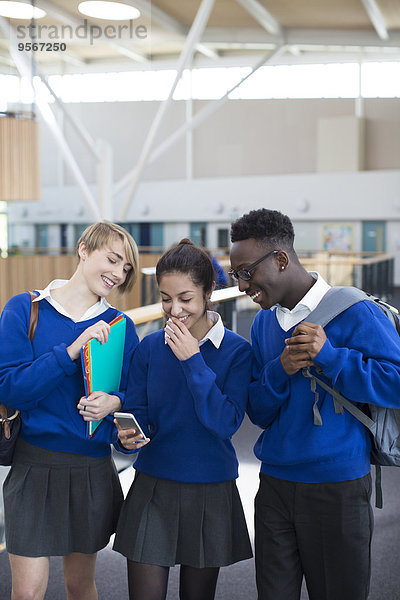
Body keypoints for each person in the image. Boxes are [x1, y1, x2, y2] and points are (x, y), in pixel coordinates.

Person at [229, 208, 400, 600]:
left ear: (281, 260)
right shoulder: (263, 324)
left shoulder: (356, 310)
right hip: (274, 486)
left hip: (337, 486)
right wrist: (280, 369)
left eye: (246, 273)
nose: (241, 286)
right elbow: (259, 411)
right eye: (236, 276)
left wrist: (332, 357)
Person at [0, 221, 140, 600]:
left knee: (81, 586)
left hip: (91, 470)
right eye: (111, 259)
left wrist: (117, 404)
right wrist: (70, 352)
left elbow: (135, 400)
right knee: (27, 592)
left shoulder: (120, 326)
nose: (117, 273)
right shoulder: (25, 309)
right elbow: (10, 389)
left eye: (125, 268)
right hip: (33, 468)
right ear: (83, 249)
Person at [113, 239, 253, 600]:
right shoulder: (148, 347)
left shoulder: (237, 352)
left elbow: (224, 423)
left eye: (185, 299)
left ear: (209, 293)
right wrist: (126, 437)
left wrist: (193, 361)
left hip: (210, 489)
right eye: (165, 298)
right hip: (153, 486)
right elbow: (138, 414)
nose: (173, 310)